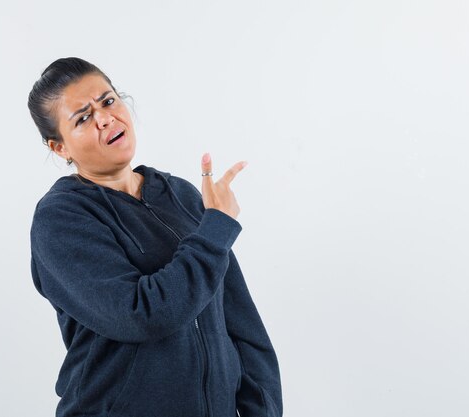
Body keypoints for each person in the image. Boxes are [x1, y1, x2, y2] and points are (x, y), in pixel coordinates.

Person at [27, 57, 283, 417]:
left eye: (108, 100)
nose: (104, 118)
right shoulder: (61, 219)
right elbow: (142, 314)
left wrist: (264, 409)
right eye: (83, 118)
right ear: (60, 147)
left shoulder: (180, 194)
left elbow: (241, 322)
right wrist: (215, 228)